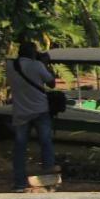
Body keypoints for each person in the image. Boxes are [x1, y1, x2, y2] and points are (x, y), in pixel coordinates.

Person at [7, 42, 59, 190]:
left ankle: (19, 183)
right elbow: (52, 84)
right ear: (32, 53)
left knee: (20, 148)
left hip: (20, 112)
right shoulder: (37, 66)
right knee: (46, 144)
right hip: (40, 110)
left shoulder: (10, 66)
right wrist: (45, 63)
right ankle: (48, 182)